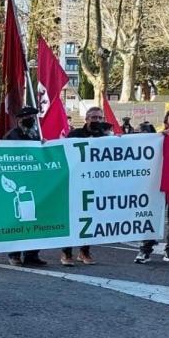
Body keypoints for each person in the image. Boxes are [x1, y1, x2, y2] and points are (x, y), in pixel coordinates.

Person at [62, 107, 112, 266]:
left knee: (90, 218)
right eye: (93, 117)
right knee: (72, 217)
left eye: (99, 118)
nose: (97, 120)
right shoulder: (74, 134)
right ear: (86, 119)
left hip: (94, 184)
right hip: (75, 183)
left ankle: (84, 252)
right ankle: (66, 253)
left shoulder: (104, 136)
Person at [135, 110, 169, 265]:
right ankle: (145, 250)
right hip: (158, 182)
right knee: (152, 216)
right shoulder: (158, 138)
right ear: (165, 121)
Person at [2, 106, 47, 267]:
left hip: (34, 181)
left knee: (35, 218)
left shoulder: (37, 134)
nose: (33, 120)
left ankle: (32, 254)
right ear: (20, 119)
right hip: (18, 180)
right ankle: (14, 254)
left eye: (34, 117)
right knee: (18, 219)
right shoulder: (11, 136)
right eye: (29, 117)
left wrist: (44, 146)